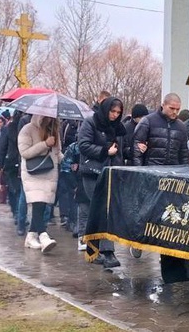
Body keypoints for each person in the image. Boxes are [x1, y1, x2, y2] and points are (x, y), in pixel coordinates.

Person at [77, 97, 126, 268]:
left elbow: (120, 151)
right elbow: (83, 145)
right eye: (112, 111)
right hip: (93, 173)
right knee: (103, 210)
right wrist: (105, 151)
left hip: (111, 173)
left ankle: (94, 250)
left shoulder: (118, 127)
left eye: (118, 112)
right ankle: (108, 252)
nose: (115, 115)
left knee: (99, 212)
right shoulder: (91, 123)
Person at [18, 114, 61, 254]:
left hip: (49, 172)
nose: (48, 119)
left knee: (42, 205)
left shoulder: (54, 130)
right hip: (33, 172)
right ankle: (43, 235)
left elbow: (57, 152)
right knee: (37, 203)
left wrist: (64, 158)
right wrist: (45, 144)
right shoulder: (27, 129)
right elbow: (24, 152)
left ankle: (31, 236)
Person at [132, 93, 188, 166]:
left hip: (173, 169)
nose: (175, 112)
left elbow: (184, 153)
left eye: (177, 109)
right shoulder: (148, 121)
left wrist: (184, 169)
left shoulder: (181, 126)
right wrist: (138, 169)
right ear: (163, 105)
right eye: (172, 108)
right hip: (150, 168)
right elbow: (137, 150)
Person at [0, 110, 27, 235]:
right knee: (16, 190)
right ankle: (17, 213)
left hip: (19, 162)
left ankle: (19, 214)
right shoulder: (8, 128)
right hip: (12, 162)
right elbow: (2, 147)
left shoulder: (26, 127)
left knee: (18, 190)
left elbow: (2, 147)